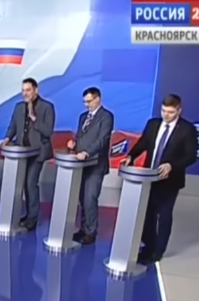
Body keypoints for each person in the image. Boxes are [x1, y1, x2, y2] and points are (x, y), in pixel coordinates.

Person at [123, 94, 198, 264]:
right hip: (148, 178)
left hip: (170, 180)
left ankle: (158, 251)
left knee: (163, 215)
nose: (166, 115)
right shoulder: (153, 124)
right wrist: (131, 156)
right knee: (148, 213)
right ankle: (148, 246)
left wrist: (172, 165)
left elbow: (190, 156)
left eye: (170, 112)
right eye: (164, 111)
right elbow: (143, 143)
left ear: (179, 111)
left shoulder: (187, 129)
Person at [0, 78, 55, 231]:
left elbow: (48, 131)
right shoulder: (18, 107)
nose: (25, 93)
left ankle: (32, 218)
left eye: (28, 90)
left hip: (38, 152)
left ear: (36, 90)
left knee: (31, 183)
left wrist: (34, 118)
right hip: (22, 153)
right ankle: (29, 213)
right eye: (23, 90)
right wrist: (7, 138)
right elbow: (13, 126)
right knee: (24, 184)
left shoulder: (47, 107)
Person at [67, 87, 114, 245]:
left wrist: (87, 152)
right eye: (84, 102)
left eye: (89, 101)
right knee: (82, 198)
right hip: (82, 164)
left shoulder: (106, 116)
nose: (86, 105)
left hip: (96, 163)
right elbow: (81, 136)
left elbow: (102, 139)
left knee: (90, 198)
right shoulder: (83, 117)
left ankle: (91, 232)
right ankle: (83, 229)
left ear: (97, 99)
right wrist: (74, 144)